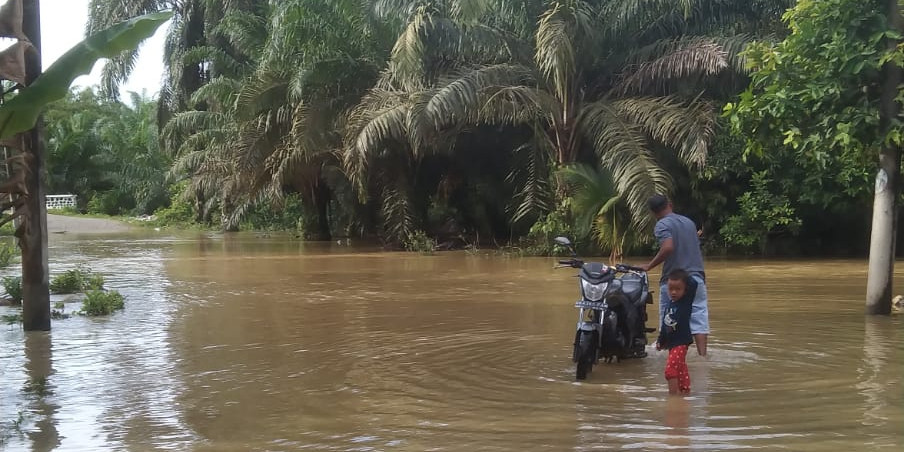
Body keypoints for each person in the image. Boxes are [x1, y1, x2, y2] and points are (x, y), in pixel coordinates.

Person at [638, 194, 709, 357]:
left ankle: (671, 358)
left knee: (670, 318)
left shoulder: (662, 224)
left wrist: (649, 266)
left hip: (674, 280)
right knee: (699, 317)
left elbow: (668, 247)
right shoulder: (689, 222)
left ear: (653, 213)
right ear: (669, 204)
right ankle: (702, 358)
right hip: (697, 277)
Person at [656, 270, 696, 395]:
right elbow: (665, 324)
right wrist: (661, 341)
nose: (673, 292)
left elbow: (694, 283)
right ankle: (684, 393)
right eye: (671, 288)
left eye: (678, 289)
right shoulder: (669, 304)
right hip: (672, 343)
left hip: (681, 342)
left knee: (670, 370)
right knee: (680, 370)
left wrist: (684, 274)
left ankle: (673, 398)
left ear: (685, 289)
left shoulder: (685, 302)